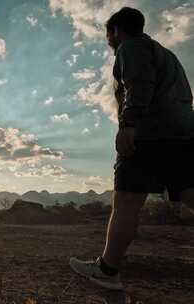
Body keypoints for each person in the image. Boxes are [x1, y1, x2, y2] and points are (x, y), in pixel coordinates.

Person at [69, 6, 194, 290]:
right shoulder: (167, 54)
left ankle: (108, 270)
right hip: (184, 134)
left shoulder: (131, 47)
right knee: (189, 193)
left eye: (108, 35)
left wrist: (127, 124)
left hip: (148, 135)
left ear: (115, 31)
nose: (109, 41)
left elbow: (138, 86)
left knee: (126, 200)